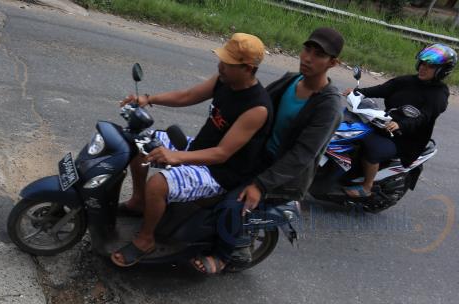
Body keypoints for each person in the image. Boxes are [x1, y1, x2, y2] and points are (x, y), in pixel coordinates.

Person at [110, 33, 273, 268]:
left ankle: (146, 240)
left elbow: (222, 154)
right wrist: (148, 98)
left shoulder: (257, 107)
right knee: (140, 143)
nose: (220, 66)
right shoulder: (225, 79)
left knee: (157, 186)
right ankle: (138, 202)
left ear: (247, 68)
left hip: (218, 171)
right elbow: (188, 96)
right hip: (198, 148)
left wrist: (176, 157)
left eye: (227, 63)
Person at [194, 27, 345, 274]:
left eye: (319, 54)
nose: (308, 58)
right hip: (258, 156)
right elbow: (257, 101)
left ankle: (225, 254)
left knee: (233, 203)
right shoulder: (290, 80)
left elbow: (302, 155)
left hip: (283, 175)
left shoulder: (329, 105)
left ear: (333, 63)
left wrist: (261, 185)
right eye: (307, 49)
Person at [341, 43, 454, 198]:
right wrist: (357, 92)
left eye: (430, 66)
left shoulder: (439, 95)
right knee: (349, 128)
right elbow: (382, 89)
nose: (423, 68)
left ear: (441, 71)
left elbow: (423, 118)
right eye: (422, 63)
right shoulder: (407, 81)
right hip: (384, 125)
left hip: (406, 139)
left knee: (374, 148)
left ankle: (366, 187)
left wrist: (401, 124)